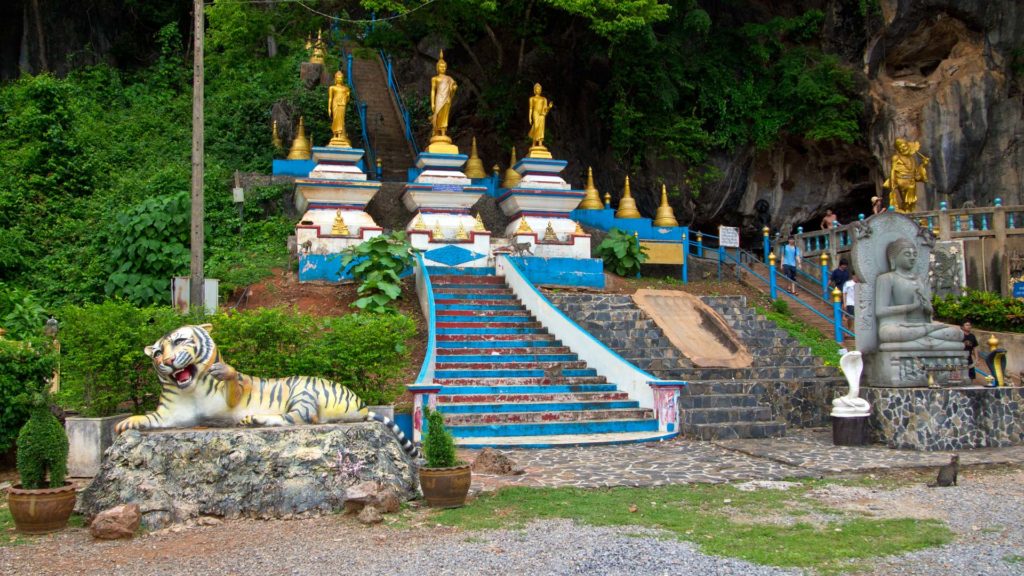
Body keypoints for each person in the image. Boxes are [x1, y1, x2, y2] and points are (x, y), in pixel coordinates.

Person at [874, 238, 963, 349]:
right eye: (907, 254)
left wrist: (927, 307)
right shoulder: (886, 278)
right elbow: (880, 311)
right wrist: (912, 307)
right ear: (894, 258)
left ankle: (925, 334)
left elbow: (929, 312)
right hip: (898, 325)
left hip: (922, 324)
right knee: (890, 334)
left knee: (958, 333)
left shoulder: (921, 279)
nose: (912, 257)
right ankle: (927, 335)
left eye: (914, 254)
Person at [430, 50, 457, 140]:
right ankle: (436, 131)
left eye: (444, 67)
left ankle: (443, 131)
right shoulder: (435, 79)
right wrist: (432, 103)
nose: (443, 68)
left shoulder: (449, 78)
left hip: (446, 99)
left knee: (445, 115)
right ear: (437, 68)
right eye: (441, 67)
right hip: (438, 99)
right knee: (437, 115)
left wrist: (454, 88)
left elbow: (453, 86)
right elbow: (433, 91)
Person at [327, 71, 351, 147]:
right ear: (335, 79)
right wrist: (329, 108)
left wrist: (348, 96)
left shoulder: (346, 88)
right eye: (338, 77)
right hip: (335, 104)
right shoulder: (332, 87)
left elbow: (347, 100)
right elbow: (330, 98)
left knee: (341, 119)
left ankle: (340, 135)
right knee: (335, 119)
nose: (339, 79)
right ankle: (334, 134)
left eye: (341, 78)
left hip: (342, 105)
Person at [528, 83, 554, 148]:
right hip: (535, 113)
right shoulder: (532, 98)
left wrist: (549, 107)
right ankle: (534, 142)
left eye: (539, 89)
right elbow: (531, 108)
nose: (538, 90)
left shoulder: (544, 99)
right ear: (534, 90)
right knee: (536, 126)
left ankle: (540, 142)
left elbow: (545, 109)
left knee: (541, 127)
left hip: (542, 114)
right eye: (537, 89)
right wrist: (530, 118)